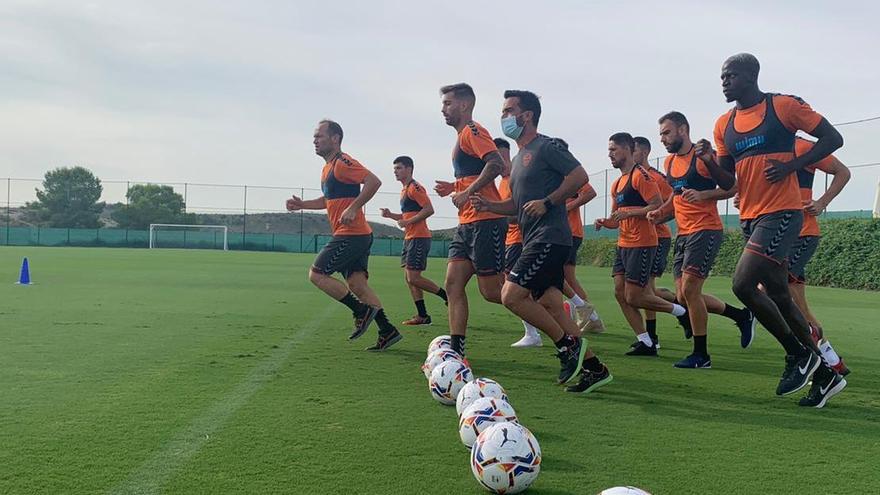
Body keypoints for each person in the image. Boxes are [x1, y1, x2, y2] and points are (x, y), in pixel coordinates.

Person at [712, 53, 846, 407]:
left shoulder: (783, 107)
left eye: (731, 75)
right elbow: (728, 182)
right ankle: (825, 374)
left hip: (783, 214)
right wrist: (710, 162)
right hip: (750, 218)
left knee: (742, 285)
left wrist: (793, 165)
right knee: (780, 297)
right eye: (722, 77)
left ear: (751, 75)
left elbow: (833, 138)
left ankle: (798, 355)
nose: (724, 81)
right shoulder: (723, 125)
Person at [472, 89, 612, 393]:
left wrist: (548, 202)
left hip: (549, 238)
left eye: (509, 111)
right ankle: (594, 368)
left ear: (527, 115)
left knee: (510, 295)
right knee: (550, 302)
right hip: (533, 237)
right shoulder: (520, 158)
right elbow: (517, 207)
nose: (504, 117)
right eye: (503, 111)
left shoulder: (545, 147)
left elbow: (579, 176)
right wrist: (490, 207)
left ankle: (567, 347)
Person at [647, 111, 756, 368]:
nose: (663, 138)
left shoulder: (702, 157)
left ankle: (701, 355)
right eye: (661, 134)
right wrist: (660, 214)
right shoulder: (670, 164)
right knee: (683, 296)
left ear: (683, 130)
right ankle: (741, 316)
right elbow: (677, 198)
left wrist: (704, 195)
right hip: (683, 233)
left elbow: (732, 187)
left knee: (690, 291)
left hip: (706, 230)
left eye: (667, 132)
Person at [287, 120, 402, 351]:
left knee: (317, 274)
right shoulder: (327, 168)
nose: (315, 141)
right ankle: (387, 330)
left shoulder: (342, 162)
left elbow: (373, 181)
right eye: (314, 137)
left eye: (319, 136)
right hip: (358, 235)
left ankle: (361, 311)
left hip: (352, 234)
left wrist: (354, 207)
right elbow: (327, 201)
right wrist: (302, 205)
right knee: (358, 284)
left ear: (335, 138)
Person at [595, 132, 688, 357]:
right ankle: (645, 341)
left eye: (613, 150)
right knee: (620, 292)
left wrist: (631, 213)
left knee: (635, 296)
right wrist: (604, 222)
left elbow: (656, 205)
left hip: (643, 243)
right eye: (609, 151)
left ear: (627, 149)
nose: (610, 155)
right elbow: (615, 217)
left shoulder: (641, 176)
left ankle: (681, 312)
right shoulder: (617, 183)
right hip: (624, 244)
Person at [434, 83, 508, 357]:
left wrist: (466, 191)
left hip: (485, 222)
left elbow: (495, 164)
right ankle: (456, 351)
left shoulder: (473, 131)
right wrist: (455, 188)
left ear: (464, 105)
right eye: (443, 104)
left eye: (448, 103)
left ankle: (550, 308)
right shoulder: (462, 136)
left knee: (491, 292)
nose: (443, 109)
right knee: (453, 284)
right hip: (467, 224)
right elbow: (475, 175)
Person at [789, 136, 851, 375]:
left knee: (770, 291)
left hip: (802, 234)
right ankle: (831, 361)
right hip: (779, 236)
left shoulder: (805, 148)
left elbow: (842, 172)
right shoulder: (764, 147)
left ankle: (809, 359)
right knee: (800, 308)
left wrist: (822, 202)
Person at [379, 155, 448, 326]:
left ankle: (447, 297)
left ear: (409, 169)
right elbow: (407, 215)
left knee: (414, 278)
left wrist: (407, 222)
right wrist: (391, 215)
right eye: (394, 168)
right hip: (410, 238)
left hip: (419, 237)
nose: (395, 171)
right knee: (409, 278)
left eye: (399, 168)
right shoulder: (405, 189)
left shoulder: (414, 188)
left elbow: (429, 209)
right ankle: (422, 316)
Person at [497, 137, 544, 348]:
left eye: (500, 156)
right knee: (540, 287)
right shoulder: (501, 182)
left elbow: (519, 210)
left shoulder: (517, 177)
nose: (498, 162)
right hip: (511, 238)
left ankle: (533, 333)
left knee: (513, 287)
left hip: (521, 237)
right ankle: (575, 308)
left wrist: (494, 212)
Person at [633, 136, 679, 345]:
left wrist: (658, 217)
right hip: (636, 240)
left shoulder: (658, 178)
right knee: (641, 290)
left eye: (631, 150)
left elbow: (675, 203)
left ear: (643, 153)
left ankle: (652, 336)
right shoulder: (631, 177)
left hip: (658, 238)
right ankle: (680, 304)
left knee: (645, 290)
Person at [563, 181, 606, 333]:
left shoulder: (568, 174)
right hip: (561, 234)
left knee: (562, 278)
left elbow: (590, 192)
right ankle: (592, 318)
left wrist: (565, 208)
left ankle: (588, 316)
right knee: (567, 278)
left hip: (568, 233)